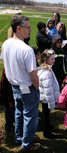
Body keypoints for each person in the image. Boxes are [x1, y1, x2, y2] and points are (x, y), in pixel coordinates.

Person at [1, 15, 40, 151]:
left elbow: (5, 63)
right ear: (18, 28)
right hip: (27, 87)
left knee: (19, 112)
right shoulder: (27, 50)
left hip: (14, 85)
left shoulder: (6, 43)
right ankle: (26, 145)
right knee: (30, 116)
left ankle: (19, 138)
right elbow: (33, 75)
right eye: (27, 27)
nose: (30, 30)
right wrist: (37, 87)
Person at [37, 49, 60, 138]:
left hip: (44, 98)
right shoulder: (47, 73)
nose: (54, 61)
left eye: (54, 59)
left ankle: (47, 127)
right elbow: (48, 90)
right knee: (46, 115)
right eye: (52, 59)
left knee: (46, 114)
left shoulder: (45, 69)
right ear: (46, 60)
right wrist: (51, 104)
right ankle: (47, 133)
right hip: (46, 99)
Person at [0, 68, 15, 134]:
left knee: (11, 108)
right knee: (9, 108)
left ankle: (10, 126)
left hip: (9, 91)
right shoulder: (7, 69)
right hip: (8, 92)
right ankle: (9, 126)